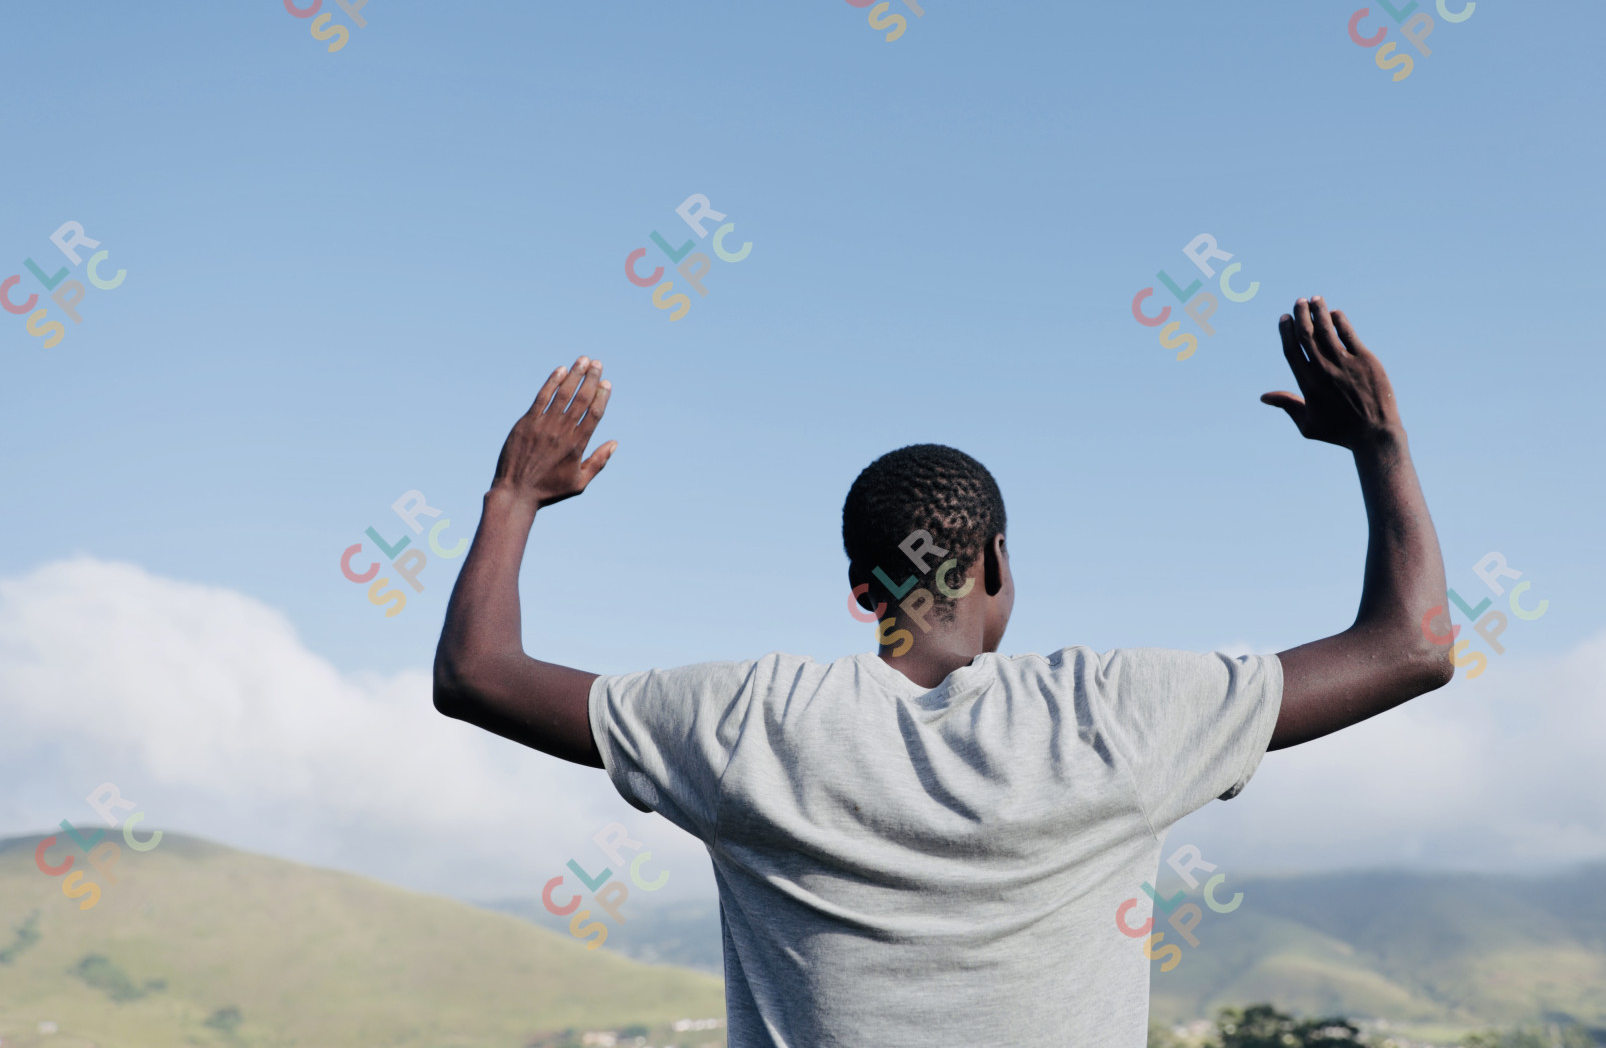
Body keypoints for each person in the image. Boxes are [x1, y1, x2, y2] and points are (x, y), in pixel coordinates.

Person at [432, 296, 1456, 1047]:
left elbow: (475, 672)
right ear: (999, 564)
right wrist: (1379, 440)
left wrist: (515, 494)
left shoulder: (744, 722)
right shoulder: (1120, 713)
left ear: (861, 589)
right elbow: (1412, 644)